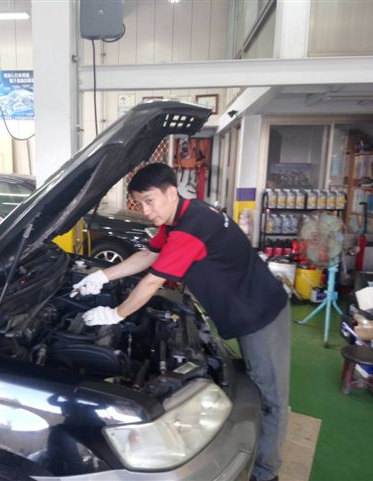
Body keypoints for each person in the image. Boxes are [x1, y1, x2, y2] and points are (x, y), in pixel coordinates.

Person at [72, 163, 290, 481]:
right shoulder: (182, 217)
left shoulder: (190, 228)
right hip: (241, 311)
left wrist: (116, 314)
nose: (146, 211)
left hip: (261, 314)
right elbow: (149, 255)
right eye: (139, 204)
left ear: (171, 192)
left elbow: (152, 281)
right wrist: (103, 275)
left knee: (272, 398)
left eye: (150, 201)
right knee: (255, 383)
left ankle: (266, 473)